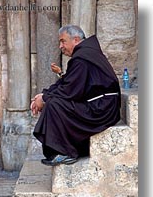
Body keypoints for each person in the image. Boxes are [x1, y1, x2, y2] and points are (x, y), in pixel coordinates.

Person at [31, 25, 121, 166]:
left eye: (63, 41)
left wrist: (45, 98)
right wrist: (44, 95)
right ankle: (66, 150)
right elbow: (68, 82)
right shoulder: (84, 54)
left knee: (55, 105)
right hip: (102, 106)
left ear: (76, 40)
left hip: (101, 109)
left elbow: (70, 90)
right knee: (55, 102)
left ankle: (66, 152)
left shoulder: (82, 58)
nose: (60, 46)